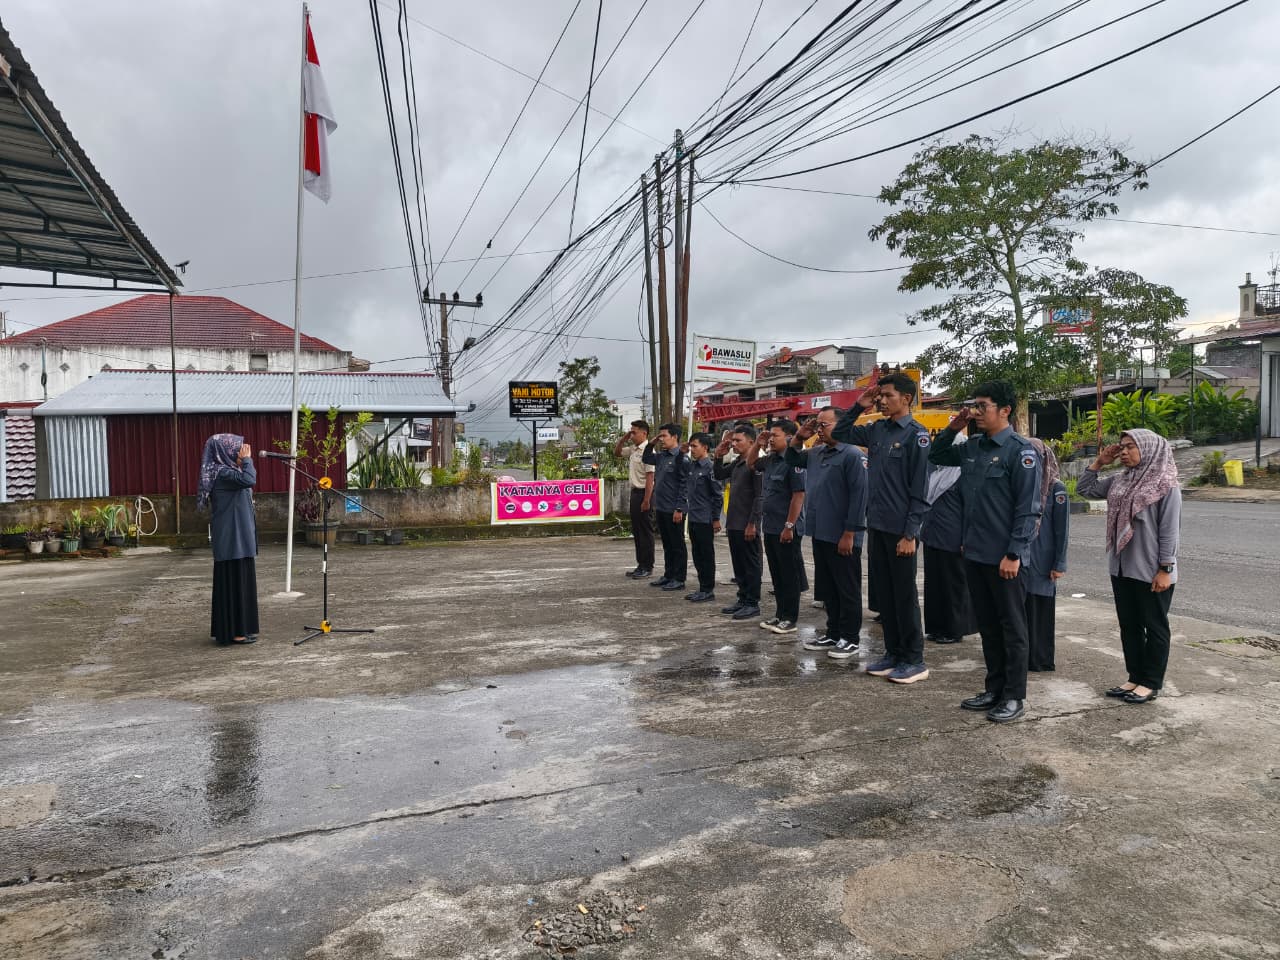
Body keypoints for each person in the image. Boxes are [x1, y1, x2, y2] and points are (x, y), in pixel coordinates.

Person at [929, 381, 1041, 723]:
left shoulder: (1020, 451)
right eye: (973, 405)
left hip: (1005, 557)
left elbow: (1029, 508)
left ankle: (1014, 696)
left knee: (1012, 627)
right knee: (988, 626)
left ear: (1005, 410)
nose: (975, 412)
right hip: (975, 553)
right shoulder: (974, 446)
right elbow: (936, 455)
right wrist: (953, 428)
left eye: (982, 406)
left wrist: (1015, 553)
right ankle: (993, 688)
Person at [834, 374, 932, 684]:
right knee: (885, 597)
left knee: (904, 597)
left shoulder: (917, 436)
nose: (882, 400)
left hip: (901, 530)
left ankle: (914, 659)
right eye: (881, 396)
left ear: (906, 398)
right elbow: (840, 432)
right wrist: (858, 406)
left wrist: (910, 533)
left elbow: (921, 489)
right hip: (877, 525)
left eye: (888, 395)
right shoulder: (878, 429)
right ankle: (893, 653)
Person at [1077, 429, 1181, 704]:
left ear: (1148, 450)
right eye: (1121, 447)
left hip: (1151, 570)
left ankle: (1151, 682)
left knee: (1154, 626)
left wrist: (1165, 569)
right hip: (1121, 566)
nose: (1123, 452)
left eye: (1130, 447)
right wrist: (1099, 462)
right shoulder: (1120, 480)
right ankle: (1135, 677)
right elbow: (1084, 489)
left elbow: (1169, 531)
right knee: (1129, 625)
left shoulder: (1165, 485)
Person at [786, 407, 869, 660]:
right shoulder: (816, 453)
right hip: (820, 532)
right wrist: (799, 437)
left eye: (824, 425)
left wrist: (850, 533)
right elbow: (791, 459)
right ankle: (833, 632)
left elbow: (859, 497)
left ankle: (850, 638)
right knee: (828, 589)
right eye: (818, 425)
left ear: (841, 426)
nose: (819, 430)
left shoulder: (853, 455)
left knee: (847, 588)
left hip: (842, 534)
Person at [197, 433, 260, 647]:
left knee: (239, 584)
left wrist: (244, 463)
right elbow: (249, 479)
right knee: (233, 585)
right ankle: (235, 632)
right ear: (224, 450)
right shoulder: (222, 473)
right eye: (236, 448)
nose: (239, 451)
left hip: (238, 538)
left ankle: (239, 629)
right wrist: (248, 461)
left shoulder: (229, 471)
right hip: (232, 539)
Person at [920, 434, 976, 645]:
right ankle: (936, 627)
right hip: (933, 535)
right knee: (934, 585)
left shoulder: (965, 475)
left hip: (953, 539)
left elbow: (971, 510)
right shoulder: (939, 474)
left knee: (953, 586)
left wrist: (966, 538)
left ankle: (954, 629)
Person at [756, 419, 806, 636]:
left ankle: (790, 618)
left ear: (788, 437)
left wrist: (789, 526)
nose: (771, 439)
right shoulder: (771, 460)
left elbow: (798, 495)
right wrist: (758, 444)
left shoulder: (794, 461)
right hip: (771, 526)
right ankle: (780, 612)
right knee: (777, 574)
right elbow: (751, 464)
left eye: (774, 435)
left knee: (789, 574)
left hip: (786, 529)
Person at [1023, 438, 1069, 672]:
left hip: (1043, 560)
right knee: (1022, 608)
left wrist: (1059, 563)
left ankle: (1039, 658)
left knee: (1040, 608)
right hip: (1022, 557)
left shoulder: (1056, 488)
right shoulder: (1022, 485)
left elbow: (1062, 529)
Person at [714, 424, 764, 620]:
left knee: (751, 565)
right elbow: (719, 475)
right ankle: (743, 598)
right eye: (733, 440)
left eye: (738, 441)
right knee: (739, 565)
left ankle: (752, 602)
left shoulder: (757, 464)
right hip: (734, 523)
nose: (733, 444)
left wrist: (753, 524)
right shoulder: (738, 463)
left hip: (747, 524)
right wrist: (718, 456)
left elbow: (760, 497)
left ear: (751, 442)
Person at [646, 423, 692, 592]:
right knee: (667, 544)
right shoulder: (662, 456)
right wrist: (651, 444)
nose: (661, 440)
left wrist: (680, 508)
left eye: (664, 436)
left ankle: (679, 578)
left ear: (675, 437)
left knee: (677, 545)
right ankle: (669, 574)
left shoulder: (682, 459)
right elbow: (646, 459)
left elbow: (684, 485)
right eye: (660, 436)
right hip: (662, 507)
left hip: (674, 509)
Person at [683, 433, 724, 602]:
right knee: (697, 555)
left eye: (695, 446)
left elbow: (717, 496)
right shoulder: (693, 466)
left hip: (705, 518)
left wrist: (715, 518)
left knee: (706, 555)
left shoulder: (710, 468)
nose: (692, 449)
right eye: (691, 446)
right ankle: (702, 587)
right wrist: (681, 452)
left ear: (705, 447)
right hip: (693, 516)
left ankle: (708, 589)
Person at [614, 420, 656, 579]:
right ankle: (640, 564)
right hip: (635, 493)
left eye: (634, 432)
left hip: (645, 493)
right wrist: (622, 439)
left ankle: (648, 566)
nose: (632, 435)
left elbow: (650, 477)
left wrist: (647, 500)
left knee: (645, 531)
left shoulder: (648, 451)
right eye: (631, 432)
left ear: (644, 433)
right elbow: (617, 453)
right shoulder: (633, 449)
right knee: (637, 532)